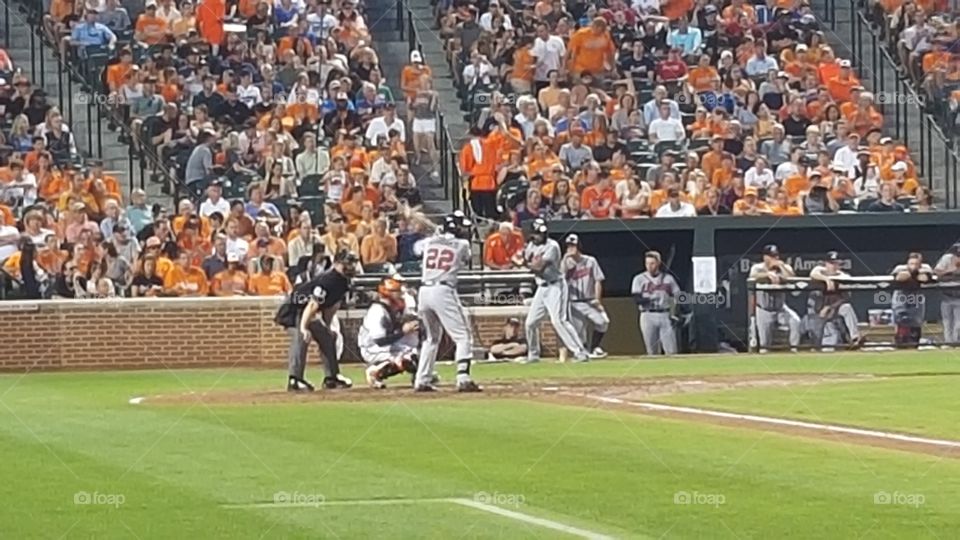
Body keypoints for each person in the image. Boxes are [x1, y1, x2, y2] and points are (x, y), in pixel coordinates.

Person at [414, 212, 481, 392]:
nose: (465, 230)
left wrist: (437, 237)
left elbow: (416, 249)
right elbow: (465, 259)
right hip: (442, 290)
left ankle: (422, 379)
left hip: (424, 291)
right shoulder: (462, 244)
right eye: (461, 227)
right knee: (463, 335)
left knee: (431, 338)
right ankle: (463, 378)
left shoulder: (428, 242)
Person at [276, 250, 358, 391]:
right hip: (294, 310)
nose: (351, 266)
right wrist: (303, 328)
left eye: (352, 263)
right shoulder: (329, 280)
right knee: (301, 338)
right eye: (347, 263)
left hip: (309, 311)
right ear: (337, 263)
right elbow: (312, 304)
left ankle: (332, 377)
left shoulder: (343, 282)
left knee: (328, 338)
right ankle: (295, 379)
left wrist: (327, 325)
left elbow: (331, 306)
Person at [517, 218, 590, 363]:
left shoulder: (552, 246)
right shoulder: (530, 246)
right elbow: (522, 259)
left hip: (556, 285)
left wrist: (523, 262)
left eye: (542, 233)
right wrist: (521, 258)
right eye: (537, 233)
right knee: (530, 323)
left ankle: (580, 352)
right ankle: (533, 355)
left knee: (558, 321)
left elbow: (538, 268)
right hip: (541, 287)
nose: (540, 236)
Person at [358, 277, 420, 389]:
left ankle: (420, 375)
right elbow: (380, 341)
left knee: (413, 358)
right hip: (372, 348)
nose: (400, 294)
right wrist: (403, 332)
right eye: (396, 292)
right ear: (387, 292)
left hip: (390, 344)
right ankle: (375, 372)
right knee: (399, 362)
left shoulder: (395, 307)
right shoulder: (377, 311)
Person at [560, 234, 609, 358]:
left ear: (579, 246)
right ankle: (584, 355)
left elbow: (598, 280)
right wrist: (565, 260)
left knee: (603, 322)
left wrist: (598, 299)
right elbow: (560, 279)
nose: (571, 248)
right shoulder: (566, 263)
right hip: (574, 302)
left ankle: (593, 348)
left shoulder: (590, 261)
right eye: (569, 246)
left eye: (573, 246)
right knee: (579, 333)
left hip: (589, 300)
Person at [748, 244, 800, 352]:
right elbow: (752, 276)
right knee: (764, 345)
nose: (775, 258)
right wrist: (767, 274)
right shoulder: (758, 268)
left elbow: (792, 278)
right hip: (764, 309)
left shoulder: (783, 267)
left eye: (776, 255)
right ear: (765, 257)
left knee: (795, 321)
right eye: (771, 256)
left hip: (780, 308)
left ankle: (794, 349)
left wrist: (781, 267)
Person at [808, 251, 863, 349]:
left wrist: (831, 307)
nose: (833, 266)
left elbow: (846, 297)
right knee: (817, 340)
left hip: (834, 311)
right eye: (831, 263)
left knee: (847, 307)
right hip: (818, 313)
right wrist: (827, 280)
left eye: (836, 263)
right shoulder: (820, 271)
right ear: (826, 264)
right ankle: (813, 346)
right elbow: (813, 273)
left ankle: (855, 338)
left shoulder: (843, 276)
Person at [631, 251, 679, 356]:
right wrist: (650, 298)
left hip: (664, 314)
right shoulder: (639, 279)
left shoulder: (668, 279)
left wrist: (674, 312)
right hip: (647, 314)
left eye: (652, 263)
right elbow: (636, 299)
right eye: (647, 263)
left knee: (671, 349)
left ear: (658, 263)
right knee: (652, 350)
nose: (649, 266)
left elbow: (677, 296)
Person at [891, 253, 933, 347]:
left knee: (916, 321)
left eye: (916, 263)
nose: (913, 265)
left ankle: (914, 343)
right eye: (911, 263)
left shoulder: (926, 268)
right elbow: (900, 277)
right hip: (901, 296)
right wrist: (911, 273)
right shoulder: (900, 268)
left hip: (916, 296)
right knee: (900, 320)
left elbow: (923, 278)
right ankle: (900, 343)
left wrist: (916, 272)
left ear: (920, 264)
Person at [934, 242, 960, 346]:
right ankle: (948, 343)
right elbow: (936, 272)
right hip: (946, 296)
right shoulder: (947, 258)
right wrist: (951, 270)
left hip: (959, 297)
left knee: (958, 324)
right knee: (947, 322)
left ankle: (956, 343)